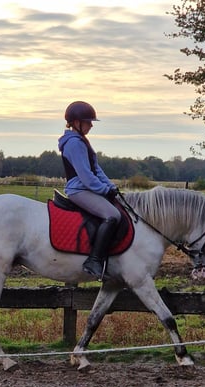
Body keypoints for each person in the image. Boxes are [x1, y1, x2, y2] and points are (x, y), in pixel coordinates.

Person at [58, 101, 122, 279]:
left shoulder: (82, 141)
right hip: (79, 190)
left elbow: (96, 169)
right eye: (88, 121)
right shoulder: (74, 144)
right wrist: (103, 190)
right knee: (112, 216)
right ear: (76, 123)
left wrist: (110, 187)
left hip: (86, 187)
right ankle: (93, 261)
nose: (91, 125)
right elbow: (86, 175)